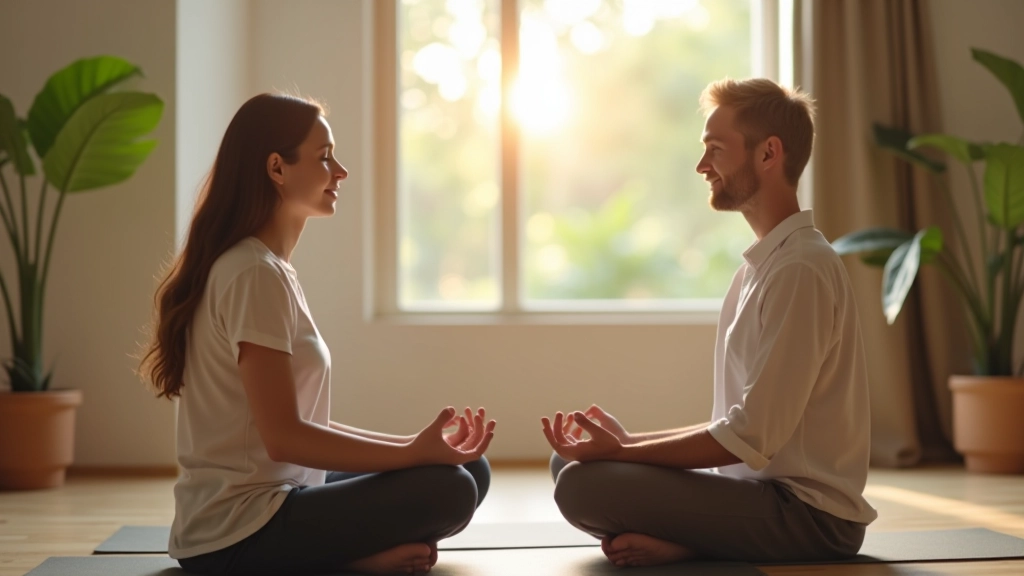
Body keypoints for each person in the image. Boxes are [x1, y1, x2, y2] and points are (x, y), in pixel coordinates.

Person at [140, 93, 495, 576]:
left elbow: (302, 425)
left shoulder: (268, 268)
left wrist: (414, 447)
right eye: (325, 157)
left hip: (289, 496)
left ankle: (346, 553)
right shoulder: (251, 273)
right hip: (236, 535)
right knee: (449, 488)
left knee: (467, 468)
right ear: (276, 168)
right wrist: (410, 454)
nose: (341, 171)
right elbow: (285, 438)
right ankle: (349, 563)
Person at [540, 78, 877, 568]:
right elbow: (738, 426)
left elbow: (753, 436)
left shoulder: (801, 270)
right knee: (573, 462)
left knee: (583, 484)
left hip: (809, 518)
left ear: (768, 154)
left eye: (715, 150)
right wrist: (627, 444)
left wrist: (628, 454)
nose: (702, 166)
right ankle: (698, 540)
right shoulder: (758, 269)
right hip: (755, 500)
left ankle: (698, 543)